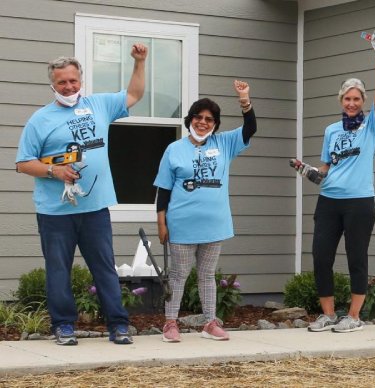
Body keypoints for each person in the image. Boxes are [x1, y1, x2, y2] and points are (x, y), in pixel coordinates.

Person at [14, 44, 148, 345]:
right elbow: (23, 163)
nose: (68, 86)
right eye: (62, 82)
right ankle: (63, 326)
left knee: (104, 267)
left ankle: (118, 325)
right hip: (55, 212)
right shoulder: (40, 120)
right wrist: (54, 172)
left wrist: (140, 62)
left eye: (73, 80)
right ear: (53, 84)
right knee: (58, 270)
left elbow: (135, 94)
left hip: (95, 208)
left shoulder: (99, 105)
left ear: (81, 80)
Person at [291, 31, 375, 333]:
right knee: (321, 256)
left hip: (359, 202)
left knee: (356, 258)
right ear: (341, 100)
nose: (351, 103)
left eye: (357, 98)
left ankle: (355, 317)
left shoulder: (371, 126)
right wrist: (308, 171)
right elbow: (326, 168)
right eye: (347, 98)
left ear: (363, 102)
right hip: (329, 200)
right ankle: (329, 314)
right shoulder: (332, 130)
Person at [153, 80, 255, 342]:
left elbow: (250, 128)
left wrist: (244, 99)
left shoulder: (224, 144)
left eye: (209, 119)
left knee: (208, 276)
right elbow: (163, 189)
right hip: (181, 225)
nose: (203, 122)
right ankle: (170, 324)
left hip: (214, 225)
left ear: (215, 124)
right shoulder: (173, 149)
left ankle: (210, 322)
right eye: (198, 117)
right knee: (177, 276)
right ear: (190, 120)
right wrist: (161, 222)